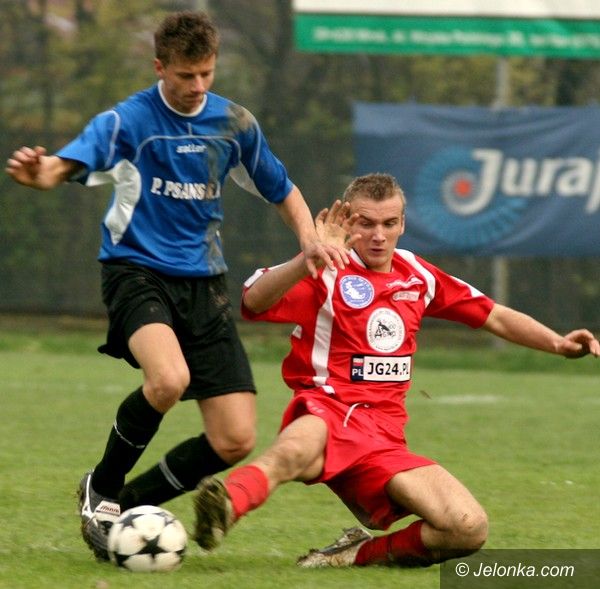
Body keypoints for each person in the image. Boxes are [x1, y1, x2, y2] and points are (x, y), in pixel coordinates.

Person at [5, 11, 346, 562]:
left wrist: (309, 240)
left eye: (207, 73)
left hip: (204, 284)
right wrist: (38, 173)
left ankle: (127, 508)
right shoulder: (127, 121)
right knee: (168, 380)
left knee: (234, 439)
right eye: (186, 75)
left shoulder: (233, 123)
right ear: (160, 67)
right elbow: (62, 166)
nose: (198, 86)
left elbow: (282, 189)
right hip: (135, 272)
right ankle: (102, 487)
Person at [192, 172, 599, 568]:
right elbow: (253, 300)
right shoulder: (325, 268)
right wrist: (306, 258)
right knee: (292, 450)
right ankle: (226, 505)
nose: (378, 235)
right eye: (366, 223)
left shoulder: (417, 275)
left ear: (402, 223)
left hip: (384, 438)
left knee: (468, 527)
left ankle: (353, 555)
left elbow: (492, 315)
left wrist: (557, 343)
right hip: (328, 411)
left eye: (389, 223)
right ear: (347, 222)